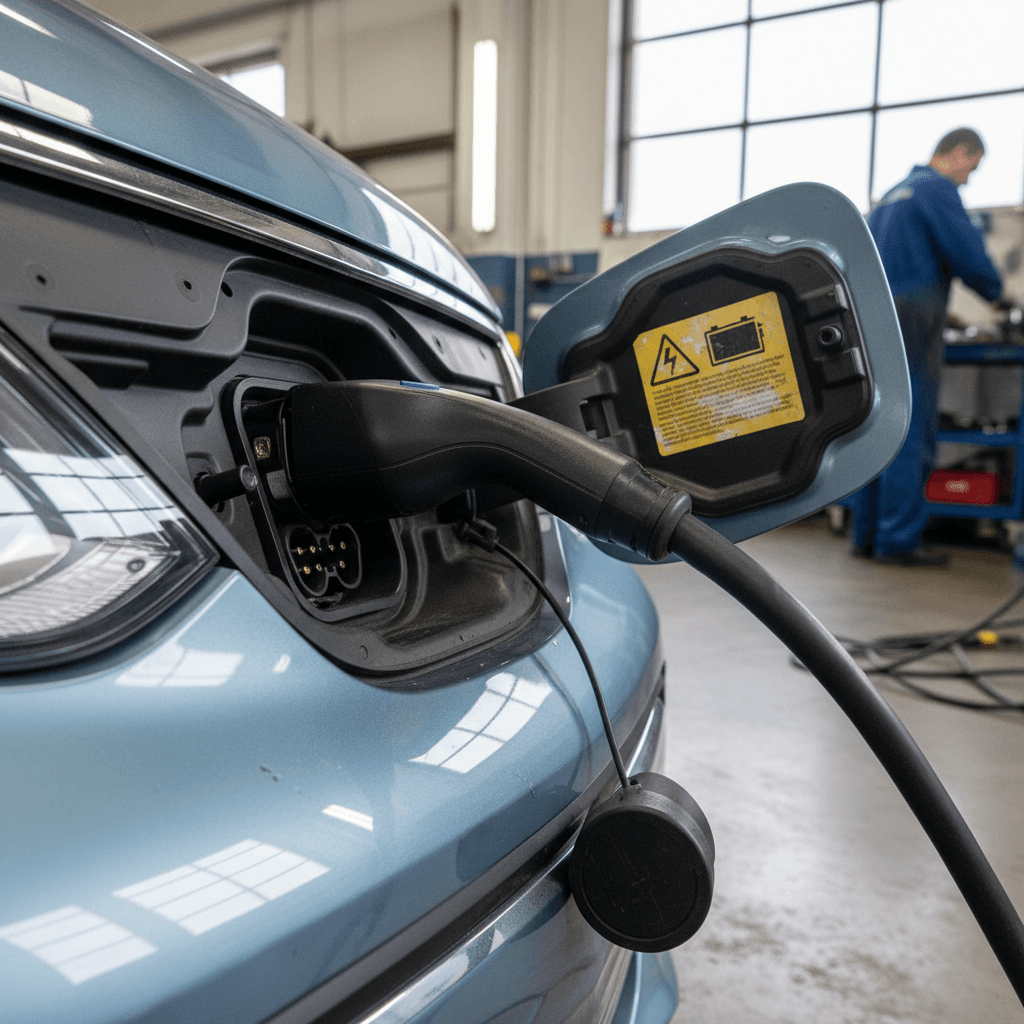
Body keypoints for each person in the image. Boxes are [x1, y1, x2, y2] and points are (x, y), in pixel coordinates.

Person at [850, 127, 1007, 566]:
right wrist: (998, 293)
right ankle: (897, 540)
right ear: (959, 153)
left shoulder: (890, 195)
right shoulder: (936, 189)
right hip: (915, 312)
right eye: (971, 168)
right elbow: (968, 253)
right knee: (910, 424)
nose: (969, 179)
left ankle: (865, 534)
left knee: (875, 422)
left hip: (872, 312)